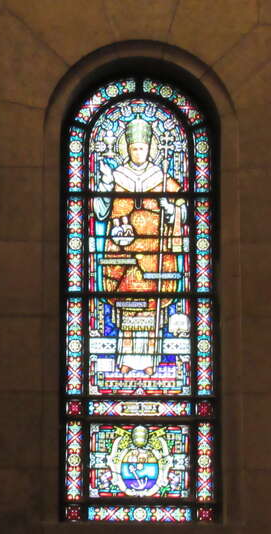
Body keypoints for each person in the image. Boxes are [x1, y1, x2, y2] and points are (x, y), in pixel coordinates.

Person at [95, 119, 185, 375]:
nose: (138, 153)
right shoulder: (117, 177)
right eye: (134, 149)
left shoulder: (161, 177)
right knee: (127, 307)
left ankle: (150, 363)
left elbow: (184, 209)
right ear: (128, 149)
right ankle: (125, 360)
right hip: (122, 253)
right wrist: (103, 185)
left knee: (151, 306)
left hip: (154, 252)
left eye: (142, 149)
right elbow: (100, 211)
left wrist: (172, 209)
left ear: (150, 149)